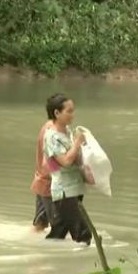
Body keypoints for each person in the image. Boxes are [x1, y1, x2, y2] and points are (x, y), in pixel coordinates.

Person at [43, 93, 92, 244]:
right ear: (57, 113)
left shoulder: (68, 132)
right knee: (84, 233)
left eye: (73, 110)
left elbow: (76, 158)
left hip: (75, 187)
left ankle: (46, 255)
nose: (72, 114)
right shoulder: (52, 137)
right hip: (64, 191)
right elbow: (65, 161)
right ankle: (83, 264)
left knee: (59, 231)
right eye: (69, 111)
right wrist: (77, 143)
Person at [30, 119, 54, 232]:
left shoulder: (47, 127)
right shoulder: (53, 131)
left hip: (41, 181)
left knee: (40, 224)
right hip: (51, 185)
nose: (72, 115)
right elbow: (48, 162)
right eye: (68, 111)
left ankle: (30, 244)